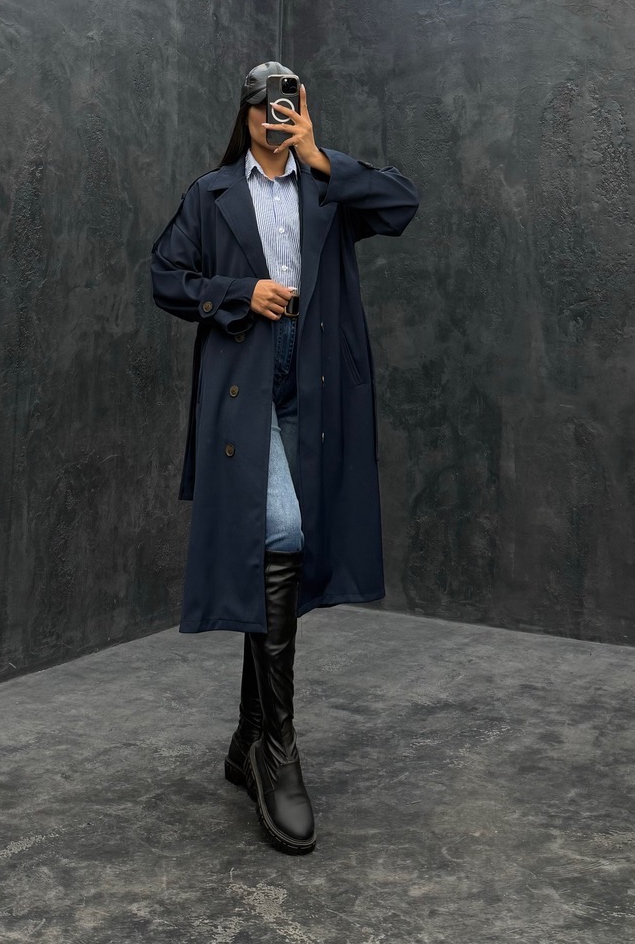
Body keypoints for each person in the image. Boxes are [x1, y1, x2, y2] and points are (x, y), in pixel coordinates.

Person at [150, 61, 420, 854]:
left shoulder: (327, 185)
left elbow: (402, 204)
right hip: (246, 371)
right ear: (246, 113)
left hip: (319, 373)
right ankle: (278, 752)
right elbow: (167, 277)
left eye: (290, 105)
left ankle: (246, 738)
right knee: (281, 531)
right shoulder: (211, 194)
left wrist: (320, 153)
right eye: (267, 107)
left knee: (280, 540)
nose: (277, 116)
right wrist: (239, 292)